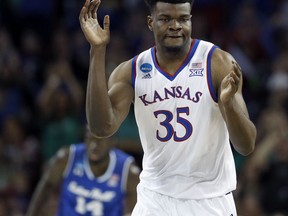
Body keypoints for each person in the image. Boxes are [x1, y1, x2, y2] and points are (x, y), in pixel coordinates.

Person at [79, 0, 257, 215]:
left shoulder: (217, 63)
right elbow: (101, 128)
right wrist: (97, 51)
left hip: (209, 200)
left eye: (183, 19)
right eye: (165, 19)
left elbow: (246, 145)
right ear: (150, 22)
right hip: (155, 199)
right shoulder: (132, 71)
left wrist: (228, 106)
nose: (175, 26)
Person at [26, 128, 140, 216]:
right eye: (90, 138)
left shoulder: (128, 170)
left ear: (113, 141)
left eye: (100, 140)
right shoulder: (67, 158)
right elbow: (46, 186)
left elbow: (136, 210)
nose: (94, 145)